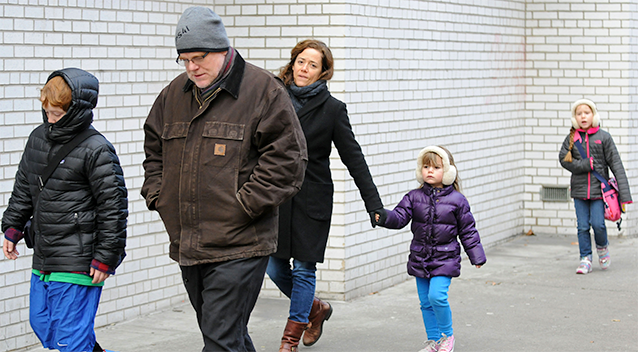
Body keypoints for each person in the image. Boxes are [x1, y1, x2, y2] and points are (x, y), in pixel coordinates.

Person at [140, 7, 307, 352]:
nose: (191, 67)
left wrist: (244, 204)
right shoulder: (173, 95)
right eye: (183, 60)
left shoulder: (263, 91)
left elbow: (288, 159)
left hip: (240, 243)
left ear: (221, 49)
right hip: (189, 243)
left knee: (218, 341)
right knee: (226, 337)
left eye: (198, 58)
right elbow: (154, 150)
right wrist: (159, 195)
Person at [267, 39, 385, 352]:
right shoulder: (273, 96)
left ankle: (290, 338)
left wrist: (373, 203)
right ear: (293, 63)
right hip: (277, 196)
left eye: (313, 65)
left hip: (312, 198)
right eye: (301, 62)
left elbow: (354, 158)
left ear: (323, 73)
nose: (304, 69)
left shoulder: (333, 110)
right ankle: (315, 309)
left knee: (304, 268)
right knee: (273, 266)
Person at [1, 68, 128, 352]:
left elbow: (114, 207)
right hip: (45, 254)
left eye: (57, 114)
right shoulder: (37, 137)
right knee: (43, 324)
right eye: (47, 112)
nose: (50, 119)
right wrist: (12, 226)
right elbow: (24, 186)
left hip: (79, 259)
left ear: (76, 111)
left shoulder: (97, 149)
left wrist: (106, 257)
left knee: (69, 339)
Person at [374, 146, 486, 352]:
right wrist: (383, 216)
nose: (429, 171)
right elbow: (399, 217)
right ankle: (433, 341)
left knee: (437, 297)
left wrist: (476, 255)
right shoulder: (413, 197)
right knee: (425, 302)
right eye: (426, 166)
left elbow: (468, 230)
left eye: (436, 167)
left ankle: (447, 337)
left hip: (445, 259)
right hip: (420, 258)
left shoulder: (457, 201)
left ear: (449, 171)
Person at [559, 98, 632, 274]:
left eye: (587, 112)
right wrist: (585, 165)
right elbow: (564, 159)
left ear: (593, 115)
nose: (583, 116)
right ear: (575, 117)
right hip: (579, 191)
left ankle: (602, 248)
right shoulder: (571, 138)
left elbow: (616, 164)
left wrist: (625, 195)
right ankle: (585, 258)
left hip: (600, 192)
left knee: (598, 224)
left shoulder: (604, 137)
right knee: (583, 226)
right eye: (579, 113)